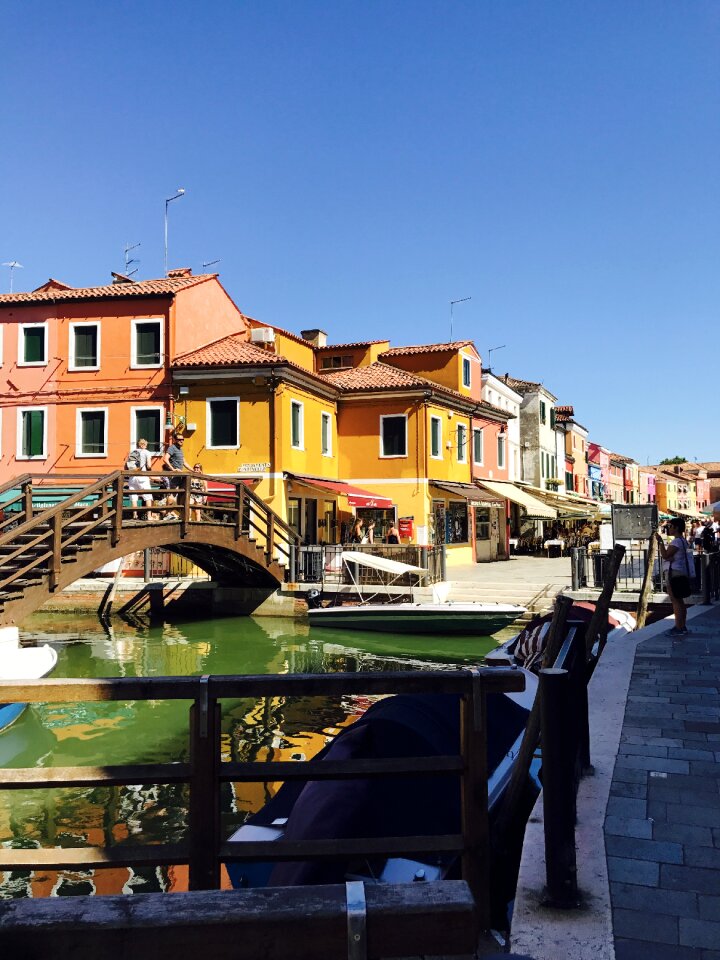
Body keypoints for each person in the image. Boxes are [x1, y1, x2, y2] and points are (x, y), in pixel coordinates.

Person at [655, 518, 692, 635]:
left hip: (674, 573)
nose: (668, 528)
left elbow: (665, 555)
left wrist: (660, 542)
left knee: (675, 600)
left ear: (676, 528)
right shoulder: (683, 541)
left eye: (670, 526)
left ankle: (678, 627)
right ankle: (682, 625)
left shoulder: (676, 542)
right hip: (681, 571)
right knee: (680, 601)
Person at [125, 438, 154, 520]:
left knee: (134, 497)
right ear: (143, 445)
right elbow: (149, 465)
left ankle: (135, 515)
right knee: (148, 496)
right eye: (145, 445)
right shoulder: (147, 452)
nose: (146, 446)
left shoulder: (132, 452)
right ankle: (149, 516)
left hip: (132, 477)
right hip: (142, 476)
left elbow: (126, 466)